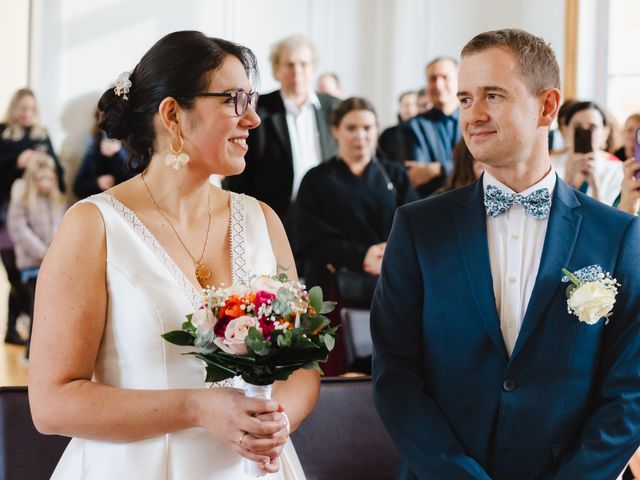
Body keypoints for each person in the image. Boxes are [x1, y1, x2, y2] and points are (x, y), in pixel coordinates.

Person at [28, 31, 318, 479]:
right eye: (234, 100)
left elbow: (301, 366)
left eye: (252, 99)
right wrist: (195, 407)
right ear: (173, 115)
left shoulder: (263, 221)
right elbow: (51, 403)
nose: (254, 118)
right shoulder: (94, 226)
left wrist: (276, 422)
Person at [372, 28, 640, 480]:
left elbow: (630, 392)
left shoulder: (617, 235)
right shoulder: (418, 227)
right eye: (464, 99)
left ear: (547, 106)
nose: (473, 115)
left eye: (492, 95)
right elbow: (395, 376)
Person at [291, 97, 418, 374]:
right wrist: (361, 255)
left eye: (367, 128)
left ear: (376, 130)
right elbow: (306, 237)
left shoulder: (394, 175)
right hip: (332, 287)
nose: (360, 136)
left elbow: (415, 228)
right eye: (351, 128)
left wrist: (388, 253)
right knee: (334, 371)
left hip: (388, 285)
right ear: (335, 130)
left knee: (387, 368)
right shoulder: (317, 178)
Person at [224, 34, 341, 223]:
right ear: (276, 69)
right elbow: (240, 172)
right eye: (289, 64)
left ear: (313, 68)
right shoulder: (256, 109)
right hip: (273, 218)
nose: (297, 71)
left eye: (304, 64)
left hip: (327, 216)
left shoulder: (335, 108)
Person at [0, 88, 65, 345]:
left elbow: (57, 171)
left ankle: (12, 330)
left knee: (26, 272)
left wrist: (41, 164)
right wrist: (17, 162)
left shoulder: (42, 135)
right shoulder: (3, 132)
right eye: (23, 108)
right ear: (15, 109)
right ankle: (35, 328)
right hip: (5, 213)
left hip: (37, 213)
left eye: (32, 108)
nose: (27, 113)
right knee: (16, 274)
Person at [7, 152, 66, 356]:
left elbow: (62, 227)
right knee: (36, 307)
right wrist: (42, 252)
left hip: (51, 263)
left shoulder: (57, 199)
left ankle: (48, 351)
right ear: (31, 179)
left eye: (48, 178)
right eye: (39, 178)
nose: (44, 183)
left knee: (50, 308)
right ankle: (30, 352)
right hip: (31, 264)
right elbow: (18, 228)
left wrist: (55, 252)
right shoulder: (22, 198)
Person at [398, 57, 461, 196]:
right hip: (432, 205)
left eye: (445, 77)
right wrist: (457, 167)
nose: (438, 84)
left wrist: (438, 169)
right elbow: (418, 177)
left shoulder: (475, 121)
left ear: (459, 80)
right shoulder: (412, 126)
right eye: (432, 79)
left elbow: (483, 167)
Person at [551, 100, 623, 206]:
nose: (585, 133)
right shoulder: (548, 165)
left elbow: (610, 219)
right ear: (565, 130)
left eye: (593, 127)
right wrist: (567, 180)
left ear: (605, 133)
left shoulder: (617, 170)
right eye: (577, 128)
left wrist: (595, 185)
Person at [73, 107, 136, 199]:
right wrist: (97, 183)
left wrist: (118, 154)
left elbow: (136, 184)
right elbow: (77, 188)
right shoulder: (94, 147)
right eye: (103, 118)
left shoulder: (133, 146)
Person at [378, 90, 419, 161]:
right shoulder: (387, 134)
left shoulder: (427, 134)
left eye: (414, 104)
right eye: (406, 105)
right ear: (399, 108)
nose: (410, 109)